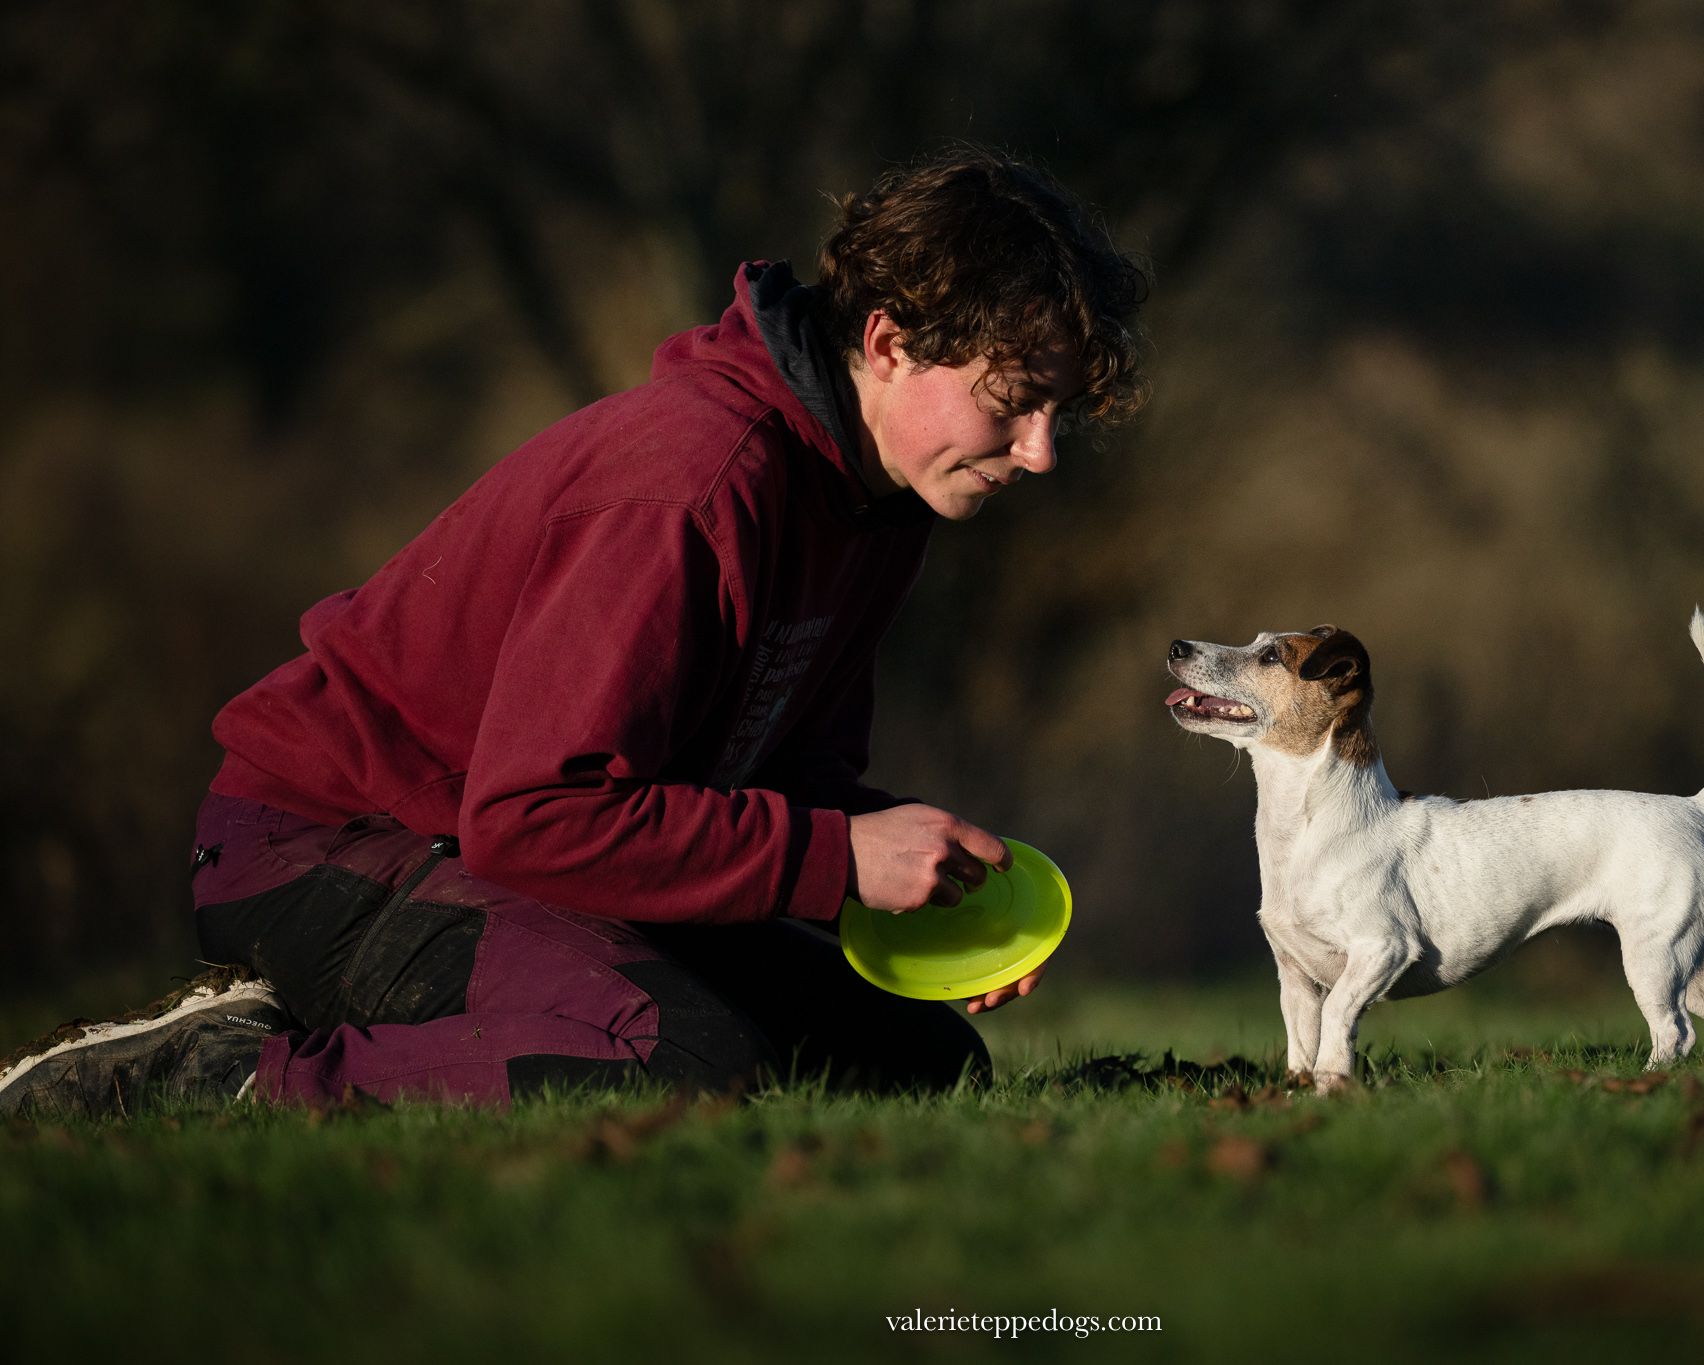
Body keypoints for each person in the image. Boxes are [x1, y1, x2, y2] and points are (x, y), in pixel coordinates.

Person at [0, 148, 1148, 1116]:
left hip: (522, 848)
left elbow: (774, 782)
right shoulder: (690, 485)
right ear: (891, 343)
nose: (1040, 451)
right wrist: (835, 858)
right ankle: (217, 1072)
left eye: (1058, 412)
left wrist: (908, 869)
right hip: (331, 840)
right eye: (1012, 402)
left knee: (915, 1064)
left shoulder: (875, 502)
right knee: (688, 1061)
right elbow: (532, 814)